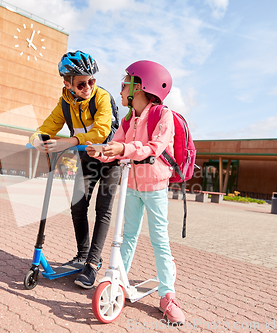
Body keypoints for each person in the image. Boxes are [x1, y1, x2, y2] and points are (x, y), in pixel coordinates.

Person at [86, 60, 186, 324]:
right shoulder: (129, 119)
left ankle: (167, 294)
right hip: (131, 184)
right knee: (127, 235)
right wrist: (102, 151)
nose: (120, 89)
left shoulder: (162, 116)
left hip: (154, 186)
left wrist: (123, 150)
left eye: (125, 83)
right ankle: (118, 280)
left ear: (142, 86)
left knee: (159, 240)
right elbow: (117, 146)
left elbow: (153, 147)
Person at [30, 50, 120, 289]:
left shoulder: (101, 97)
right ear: (66, 83)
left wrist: (70, 141)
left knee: (103, 210)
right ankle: (83, 254)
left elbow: (101, 131)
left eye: (92, 80)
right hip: (87, 158)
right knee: (78, 206)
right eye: (81, 84)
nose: (88, 86)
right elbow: (48, 126)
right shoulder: (65, 103)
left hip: (110, 157)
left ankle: (92, 263)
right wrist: (37, 138)